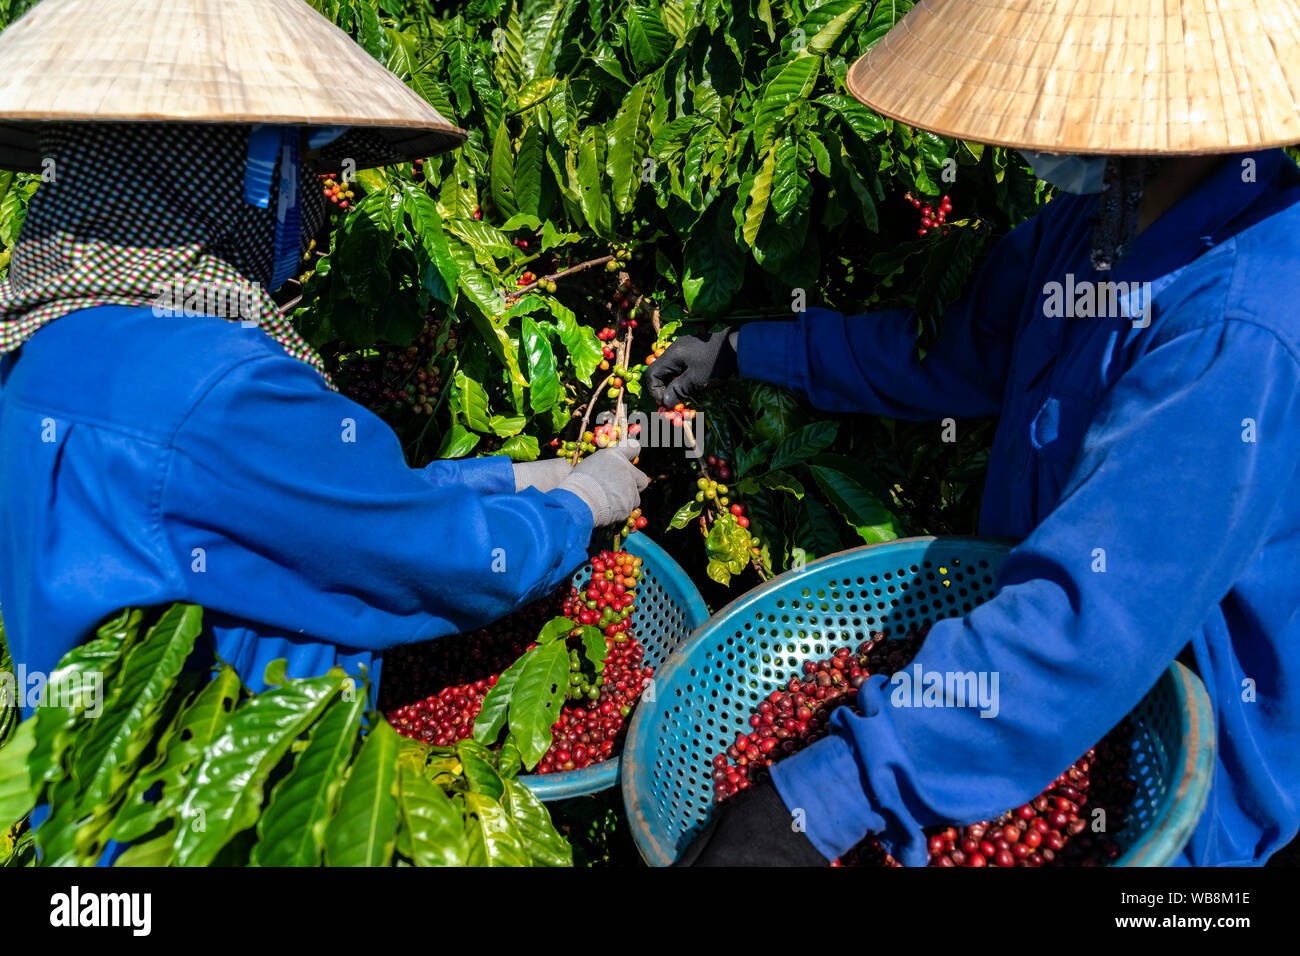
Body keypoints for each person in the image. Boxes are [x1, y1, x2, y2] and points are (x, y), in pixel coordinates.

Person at [649, 0, 1300, 867]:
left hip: (1182, 781)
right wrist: (747, 350)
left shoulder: (1237, 329)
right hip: (999, 708)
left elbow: (1089, 618)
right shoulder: (1092, 223)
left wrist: (829, 794)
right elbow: (956, 357)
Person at [0, 0, 647, 719]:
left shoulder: (46, 341)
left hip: (97, 792)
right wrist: (572, 508)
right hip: (234, 798)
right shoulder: (219, 382)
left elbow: (306, 508)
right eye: (292, 165)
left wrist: (497, 479)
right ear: (220, 181)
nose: (308, 201)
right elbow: (423, 556)